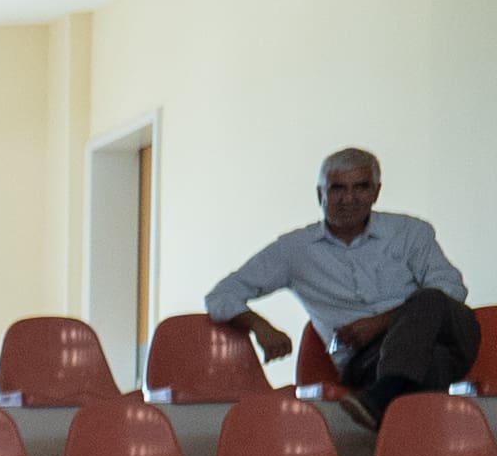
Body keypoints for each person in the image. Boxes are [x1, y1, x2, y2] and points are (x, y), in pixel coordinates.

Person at [203, 147, 475, 425]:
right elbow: (222, 295)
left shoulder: (410, 232)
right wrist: (261, 326)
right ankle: (416, 449)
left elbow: (451, 289)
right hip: (369, 360)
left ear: (376, 192)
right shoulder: (295, 250)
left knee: (432, 298)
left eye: (361, 187)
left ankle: (380, 398)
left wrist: (380, 323)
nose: (349, 199)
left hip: (450, 336)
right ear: (319, 194)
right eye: (337, 189)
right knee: (433, 363)